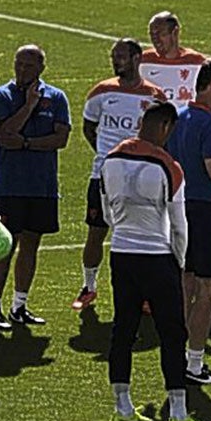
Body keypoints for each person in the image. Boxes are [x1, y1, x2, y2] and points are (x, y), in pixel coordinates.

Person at [102, 99, 209, 421]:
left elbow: (106, 212)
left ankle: (123, 406)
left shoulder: (111, 158)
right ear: (164, 127)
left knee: (124, 328)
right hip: (156, 255)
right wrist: (178, 262)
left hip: (121, 252)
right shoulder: (168, 166)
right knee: (173, 332)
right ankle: (177, 411)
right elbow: (179, 225)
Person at [73, 39, 165, 310]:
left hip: (141, 179)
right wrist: (108, 156)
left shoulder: (155, 96)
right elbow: (89, 128)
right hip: (104, 177)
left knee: (144, 235)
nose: (116, 61)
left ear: (137, 58)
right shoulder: (101, 92)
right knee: (96, 232)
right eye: (114, 56)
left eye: (121, 56)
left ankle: (145, 292)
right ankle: (89, 287)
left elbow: (162, 134)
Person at [0, 43, 70, 329]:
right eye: (19, 64)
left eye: (29, 66)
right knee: (4, 246)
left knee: (32, 244)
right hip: (10, 186)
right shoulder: (1, 96)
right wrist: (29, 105)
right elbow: (4, 134)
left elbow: (60, 139)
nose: (22, 70)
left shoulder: (56, 97)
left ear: (41, 68)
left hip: (42, 186)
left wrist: (28, 143)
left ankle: (19, 305)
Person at [166, 57, 211, 386]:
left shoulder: (177, 118)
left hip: (178, 209)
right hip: (206, 212)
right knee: (207, 289)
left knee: (185, 283)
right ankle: (195, 363)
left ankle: (177, 358)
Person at [140, 11, 210, 107]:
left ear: (175, 32)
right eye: (152, 35)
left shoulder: (196, 62)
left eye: (161, 34)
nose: (156, 40)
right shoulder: (142, 61)